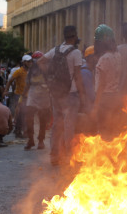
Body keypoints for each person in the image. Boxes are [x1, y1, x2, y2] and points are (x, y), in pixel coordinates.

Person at [38, 25, 86, 166]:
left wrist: (48, 76)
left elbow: (40, 61)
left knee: (57, 125)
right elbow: (77, 76)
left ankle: (54, 156)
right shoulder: (76, 53)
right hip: (70, 94)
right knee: (69, 126)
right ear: (74, 36)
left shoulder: (56, 50)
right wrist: (82, 95)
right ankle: (68, 157)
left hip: (56, 93)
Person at [91, 25, 123, 140]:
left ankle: (106, 156)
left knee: (104, 132)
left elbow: (101, 85)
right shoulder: (118, 56)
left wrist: (95, 106)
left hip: (105, 99)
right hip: (116, 96)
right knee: (114, 131)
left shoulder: (104, 59)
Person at [22, 51, 50, 150]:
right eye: (35, 60)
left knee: (43, 120)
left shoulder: (47, 69)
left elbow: (51, 82)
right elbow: (27, 84)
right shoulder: (31, 70)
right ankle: (30, 140)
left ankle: (41, 140)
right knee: (29, 118)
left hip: (44, 96)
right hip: (33, 95)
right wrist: (23, 95)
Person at [3, 55, 33, 138]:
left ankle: (18, 130)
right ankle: (22, 131)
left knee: (22, 114)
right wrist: (6, 90)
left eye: (30, 61)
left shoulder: (31, 71)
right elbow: (10, 80)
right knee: (23, 113)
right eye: (28, 61)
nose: (30, 63)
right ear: (23, 62)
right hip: (19, 95)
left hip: (28, 95)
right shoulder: (19, 71)